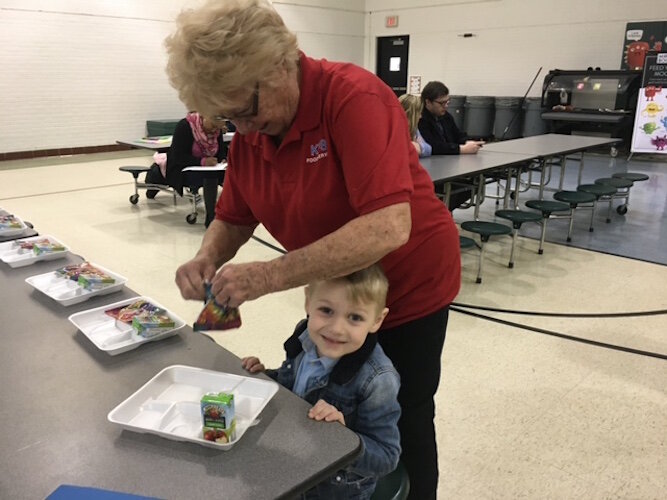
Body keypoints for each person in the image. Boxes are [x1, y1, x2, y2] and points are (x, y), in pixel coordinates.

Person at [166, 1, 460, 498]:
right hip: (335, 291)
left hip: (408, 286)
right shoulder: (256, 129)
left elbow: (388, 226)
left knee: (400, 412)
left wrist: (267, 276)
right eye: (228, 116)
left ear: (282, 63)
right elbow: (235, 214)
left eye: (247, 109)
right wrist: (206, 258)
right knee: (325, 391)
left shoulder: (353, 98)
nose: (244, 127)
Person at [241, 264, 401, 499]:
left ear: (377, 320)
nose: (336, 329)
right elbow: (293, 385)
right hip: (289, 464)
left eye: (355, 317)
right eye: (326, 310)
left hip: (332, 491)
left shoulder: (378, 379)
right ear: (308, 302)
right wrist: (265, 376)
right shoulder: (305, 336)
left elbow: (387, 457)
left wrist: (342, 438)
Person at [146, 112, 228, 227]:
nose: (215, 130)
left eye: (218, 127)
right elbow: (178, 156)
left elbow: (220, 152)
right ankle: (211, 218)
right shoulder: (185, 126)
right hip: (182, 168)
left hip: (205, 169)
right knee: (210, 175)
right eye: (213, 126)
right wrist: (202, 162)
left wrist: (223, 159)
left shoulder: (216, 130)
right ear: (204, 117)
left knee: (218, 173)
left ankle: (216, 215)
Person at [419, 80, 485, 155]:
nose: (446, 106)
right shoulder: (420, 120)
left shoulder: (446, 116)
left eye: (447, 102)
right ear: (428, 102)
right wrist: (461, 149)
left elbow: (458, 135)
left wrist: (469, 142)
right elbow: (432, 146)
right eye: (441, 103)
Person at [398, 93, 431, 158]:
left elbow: (428, 148)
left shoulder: (415, 130)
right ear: (411, 114)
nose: (420, 116)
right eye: (419, 113)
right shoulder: (395, 129)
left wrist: (419, 147)